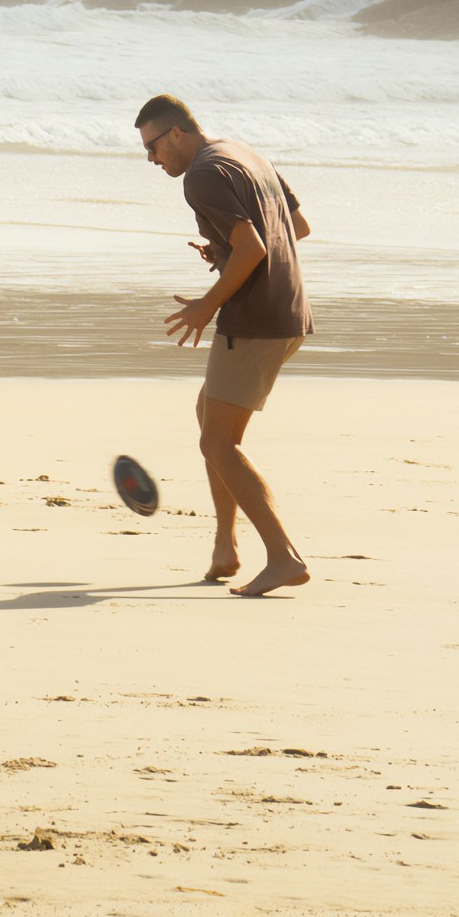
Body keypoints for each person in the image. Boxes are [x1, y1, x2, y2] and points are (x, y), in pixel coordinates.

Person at [136, 92, 311, 599]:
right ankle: (225, 546)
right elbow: (295, 228)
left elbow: (257, 246)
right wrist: (225, 253)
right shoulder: (245, 153)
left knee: (218, 443)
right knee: (208, 416)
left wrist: (207, 304)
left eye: (152, 147)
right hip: (288, 310)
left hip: (256, 320)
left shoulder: (202, 174)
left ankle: (283, 557)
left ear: (176, 134)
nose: (151, 159)